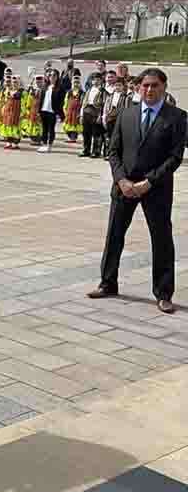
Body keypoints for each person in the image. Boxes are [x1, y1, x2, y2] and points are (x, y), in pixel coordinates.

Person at [89, 69, 187, 314]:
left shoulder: (176, 117)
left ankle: (163, 293)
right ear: (138, 87)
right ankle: (107, 283)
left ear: (164, 87)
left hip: (156, 188)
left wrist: (149, 182)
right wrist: (121, 180)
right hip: (124, 187)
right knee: (114, 235)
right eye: (145, 85)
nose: (149, 90)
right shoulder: (126, 114)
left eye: (154, 85)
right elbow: (113, 152)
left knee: (162, 240)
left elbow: (175, 157)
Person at [80, 74, 106, 158]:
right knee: (86, 133)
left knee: (96, 133)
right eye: (94, 80)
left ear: (101, 81)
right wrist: (81, 115)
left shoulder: (103, 91)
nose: (96, 81)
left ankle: (96, 151)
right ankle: (86, 150)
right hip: (87, 111)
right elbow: (84, 103)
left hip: (96, 112)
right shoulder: (88, 90)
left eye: (98, 80)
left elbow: (103, 105)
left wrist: (100, 116)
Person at [38, 71, 64, 153]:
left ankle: (49, 145)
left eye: (54, 75)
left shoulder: (60, 88)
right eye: (50, 75)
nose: (52, 77)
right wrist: (39, 111)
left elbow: (61, 102)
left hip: (52, 112)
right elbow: (41, 99)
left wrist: (60, 114)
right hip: (44, 110)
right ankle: (44, 144)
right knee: (44, 129)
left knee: (51, 129)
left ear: (57, 77)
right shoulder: (45, 87)